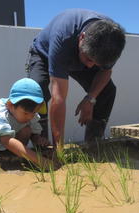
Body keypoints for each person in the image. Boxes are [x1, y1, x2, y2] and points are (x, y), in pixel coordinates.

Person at [26, 8, 126, 148]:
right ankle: (43, 147)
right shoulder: (63, 36)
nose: (91, 66)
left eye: (97, 63)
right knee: (37, 92)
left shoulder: (112, 42)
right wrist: (59, 148)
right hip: (44, 54)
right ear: (82, 37)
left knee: (107, 91)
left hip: (78, 56)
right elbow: (58, 98)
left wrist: (90, 99)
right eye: (89, 59)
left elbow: (105, 71)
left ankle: (93, 145)